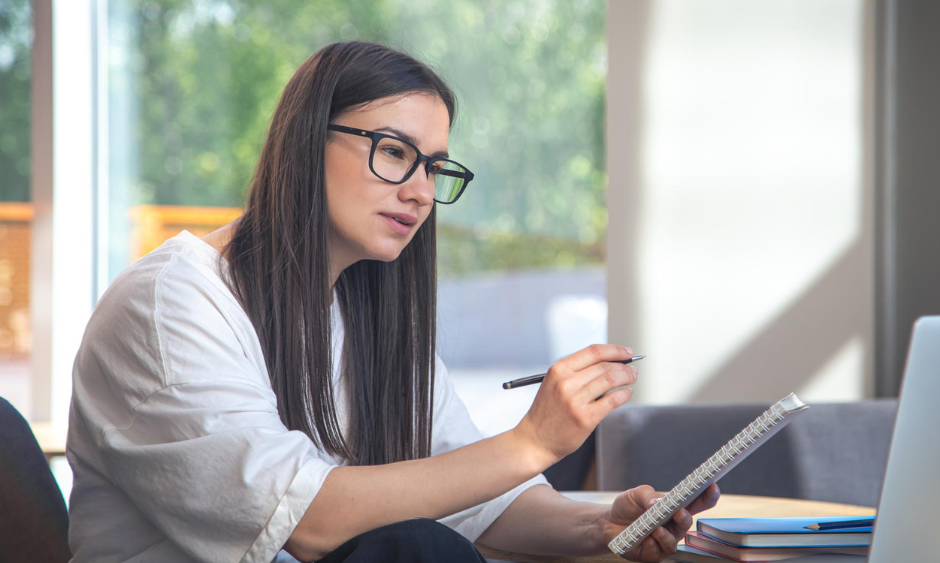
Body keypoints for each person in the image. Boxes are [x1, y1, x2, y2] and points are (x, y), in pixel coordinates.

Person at [66, 41, 719, 563]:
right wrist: (532, 441)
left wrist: (604, 524)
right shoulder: (172, 302)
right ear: (305, 143)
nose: (421, 192)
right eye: (394, 152)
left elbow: (475, 497)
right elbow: (306, 523)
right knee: (418, 547)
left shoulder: (368, 312)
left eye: (434, 167)